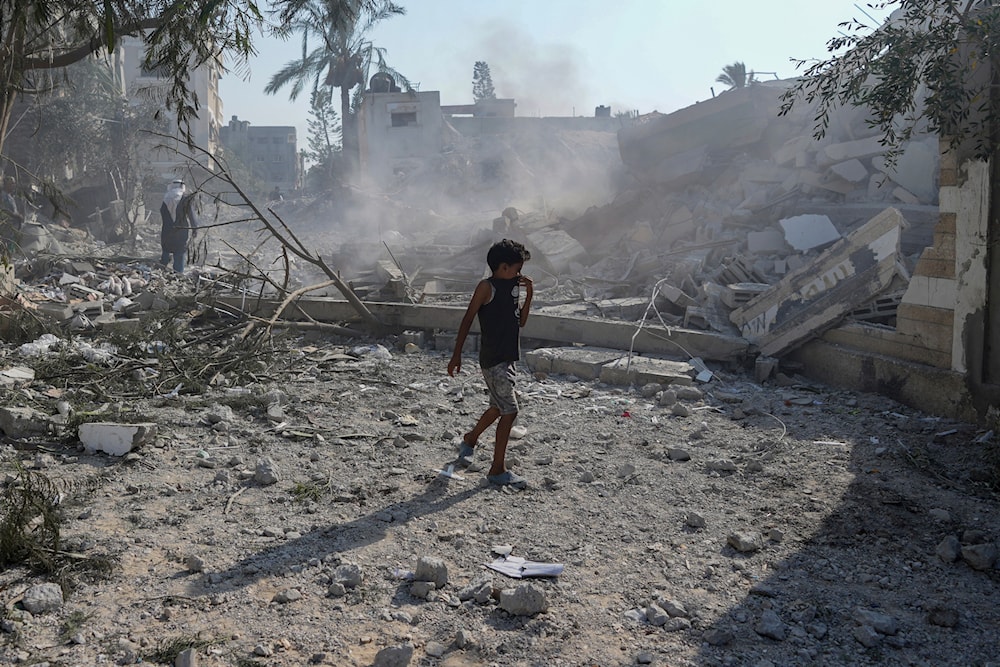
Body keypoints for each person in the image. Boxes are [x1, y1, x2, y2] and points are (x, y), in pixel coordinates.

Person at [447, 239, 534, 488]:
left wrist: (529, 295)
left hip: (508, 357)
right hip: (494, 358)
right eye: (517, 268)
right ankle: (497, 469)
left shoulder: (514, 286)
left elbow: (521, 322)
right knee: (510, 411)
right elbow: (467, 319)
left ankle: (470, 439)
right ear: (503, 267)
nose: (519, 273)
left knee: (498, 407)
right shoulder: (487, 287)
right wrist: (457, 354)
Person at [159, 179, 199, 272]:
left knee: (165, 251)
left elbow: (162, 212)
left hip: (167, 230)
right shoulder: (185, 198)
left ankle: (161, 270)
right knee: (179, 253)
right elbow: (192, 215)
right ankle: (178, 273)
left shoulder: (166, 198)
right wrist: (195, 229)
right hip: (181, 231)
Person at [0, 175, 23, 254]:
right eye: (11, 184)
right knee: (5, 248)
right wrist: (15, 215)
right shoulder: (3, 196)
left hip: (12, 228)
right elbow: (4, 210)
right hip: (6, 227)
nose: (13, 186)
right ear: (6, 185)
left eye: (14, 184)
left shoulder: (10, 197)